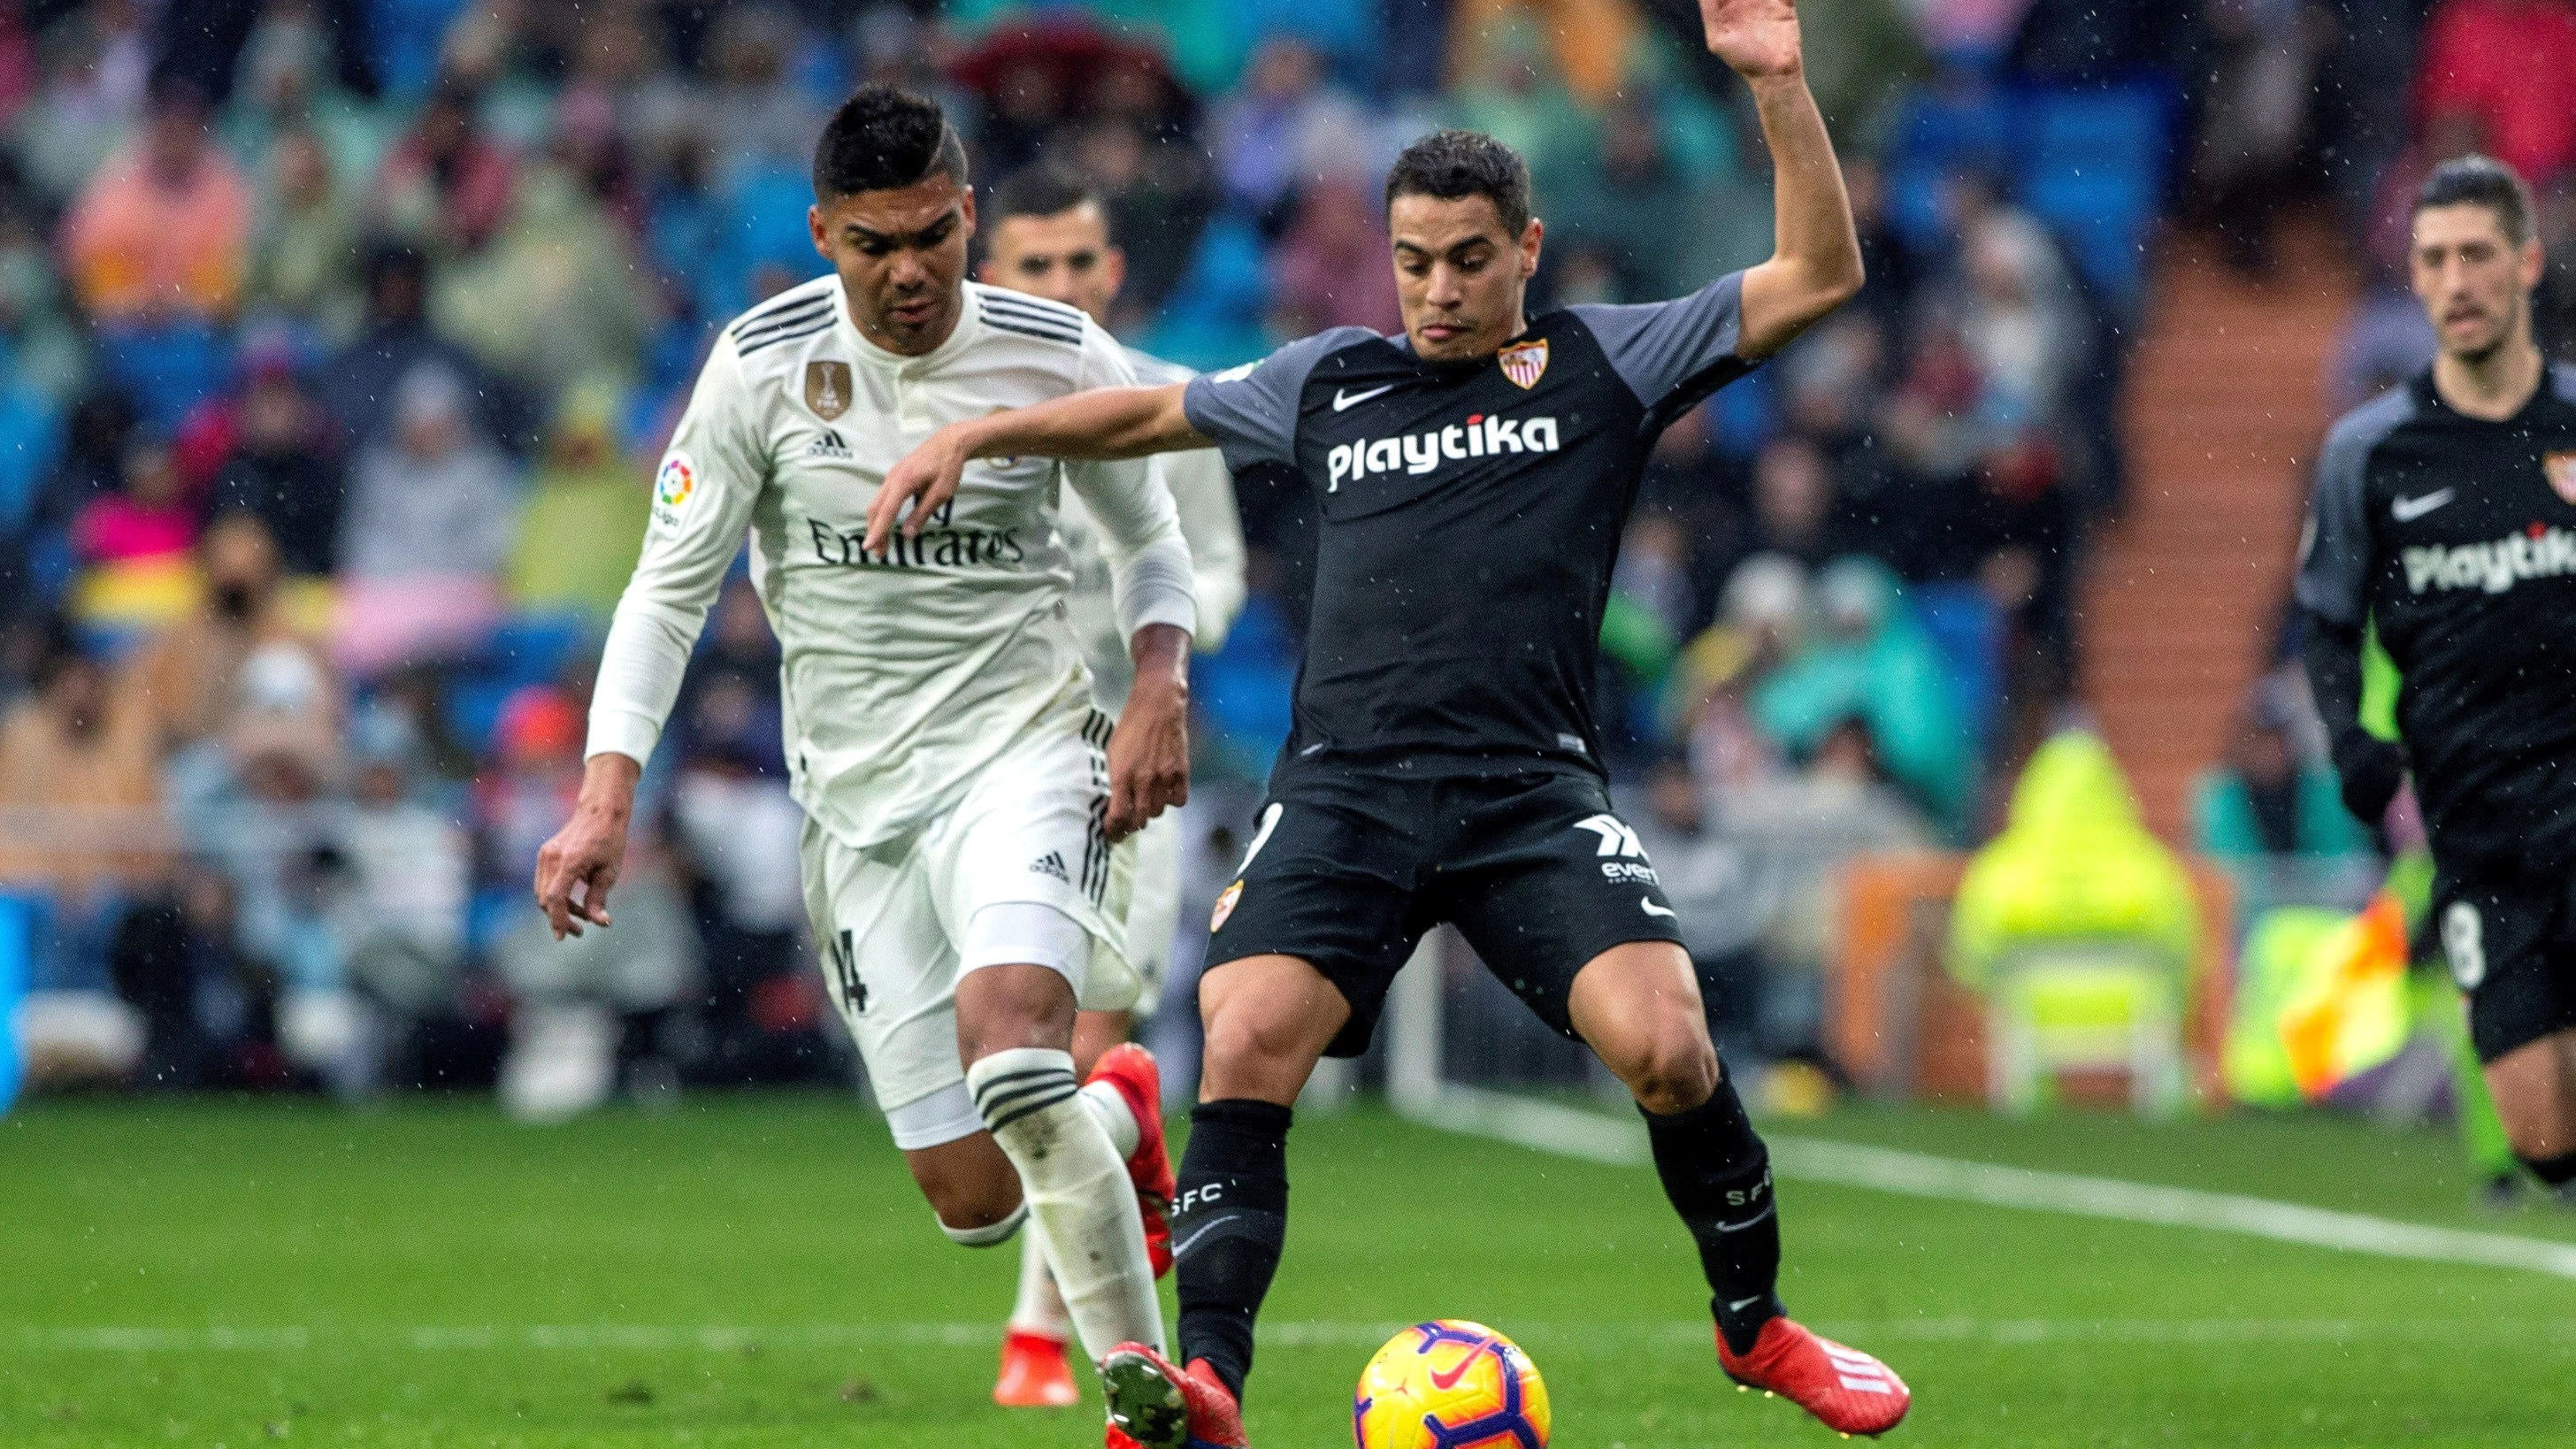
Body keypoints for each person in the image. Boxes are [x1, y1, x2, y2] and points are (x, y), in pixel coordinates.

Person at [874, 4, 1909, 1442]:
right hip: (1347, 794)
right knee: (1240, 1038)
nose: (1435, 289)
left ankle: (1757, 1324)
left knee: (1668, 1046)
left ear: (1525, 251)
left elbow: (1819, 271)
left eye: (1468, 261)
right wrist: (978, 433)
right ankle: (1211, 1377)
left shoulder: (1605, 363)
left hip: (1528, 795)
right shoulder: (1330, 379)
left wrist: (1779, 84)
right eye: (1413, 259)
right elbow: (1142, 413)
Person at [528, 85, 1199, 1429]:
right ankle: (1121, 1110)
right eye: (873, 245)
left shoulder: (1057, 352)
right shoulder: (761, 365)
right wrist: (605, 795)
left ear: (969, 218)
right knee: (977, 1196)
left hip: (1022, 755)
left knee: (1013, 1051)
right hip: (855, 808)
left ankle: (1142, 1401)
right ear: (825, 232)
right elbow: (666, 590)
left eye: (930, 239)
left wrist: (1157, 680)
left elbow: (1150, 540)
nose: (907, 274)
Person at [975, 159, 1251, 1410]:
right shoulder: (949, 411)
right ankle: (1135, 1130)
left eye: (1080, 263)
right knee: (994, 1082)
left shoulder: (1158, 401)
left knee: (1063, 1043)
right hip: (973, 768)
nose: (1062, 284)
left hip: (1116, 768)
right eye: (1036, 266)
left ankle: (1050, 1339)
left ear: (1113, 269)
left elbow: (1220, 570)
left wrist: (1154, 672)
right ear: (994, 273)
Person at [2298, 154, 2576, 1200]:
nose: (2453, 281)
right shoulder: (2366, 454)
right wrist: (2351, 746)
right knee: (2540, 1136)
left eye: (2474, 255)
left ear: (2524, 264)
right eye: (2432, 260)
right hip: (2473, 826)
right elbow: (2324, 622)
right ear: (2410, 279)